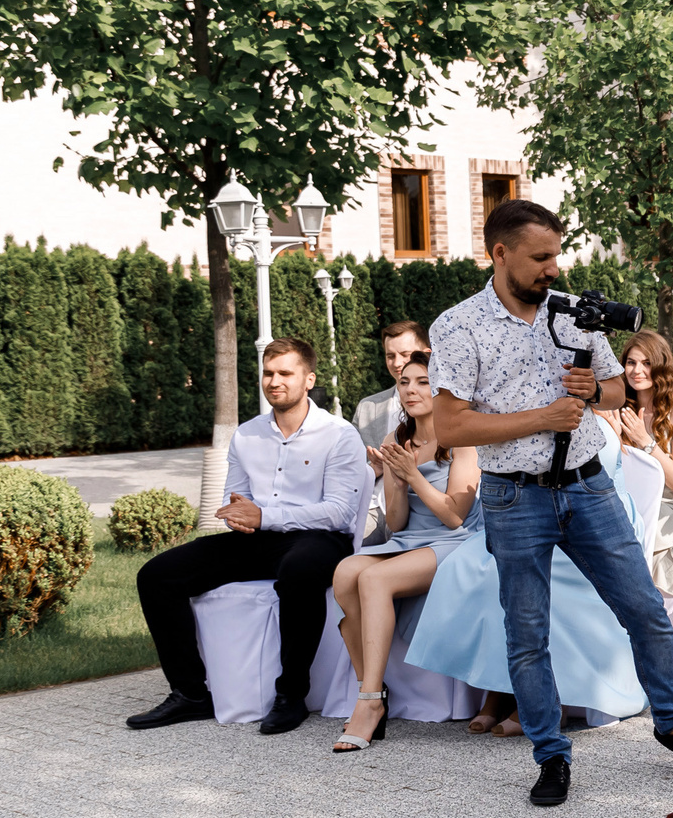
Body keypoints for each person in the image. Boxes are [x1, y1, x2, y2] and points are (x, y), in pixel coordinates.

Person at [429, 198, 673, 804]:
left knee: (643, 610)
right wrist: (543, 416)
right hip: (514, 497)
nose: (553, 269)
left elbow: (615, 389)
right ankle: (551, 756)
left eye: (556, 255)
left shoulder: (573, 312)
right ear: (499, 254)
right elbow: (452, 427)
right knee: (527, 634)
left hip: (590, 485)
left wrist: (596, 389)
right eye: (540, 258)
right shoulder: (457, 327)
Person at [127, 338, 369, 734]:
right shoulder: (246, 434)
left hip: (320, 538)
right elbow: (235, 497)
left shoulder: (339, 435)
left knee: (299, 570)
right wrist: (236, 516)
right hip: (257, 537)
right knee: (157, 575)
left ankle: (292, 694)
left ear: (308, 379)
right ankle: (190, 694)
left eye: (285, 373)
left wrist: (264, 516)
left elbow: (338, 511)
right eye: (269, 373)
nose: (275, 381)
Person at [325, 351, 480, 752]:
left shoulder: (464, 437)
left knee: (375, 578)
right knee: (345, 573)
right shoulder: (398, 438)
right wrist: (394, 480)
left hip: (456, 541)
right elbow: (395, 522)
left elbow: (454, 517)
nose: (411, 390)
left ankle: (369, 702)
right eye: (405, 382)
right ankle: (371, 688)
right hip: (410, 539)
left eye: (423, 381)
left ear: (443, 387)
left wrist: (413, 475)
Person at [612, 328, 673, 622]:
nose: (637, 371)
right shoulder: (618, 409)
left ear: (660, 366)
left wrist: (645, 441)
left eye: (646, 363)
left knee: (631, 544)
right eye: (631, 362)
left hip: (672, 508)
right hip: (626, 503)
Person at [352, 321, 428, 452]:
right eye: (390, 356)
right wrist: (374, 469)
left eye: (405, 354)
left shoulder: (447, 403)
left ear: (426, 354)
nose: (397, 363)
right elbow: (354, 460)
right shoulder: (367, 408)